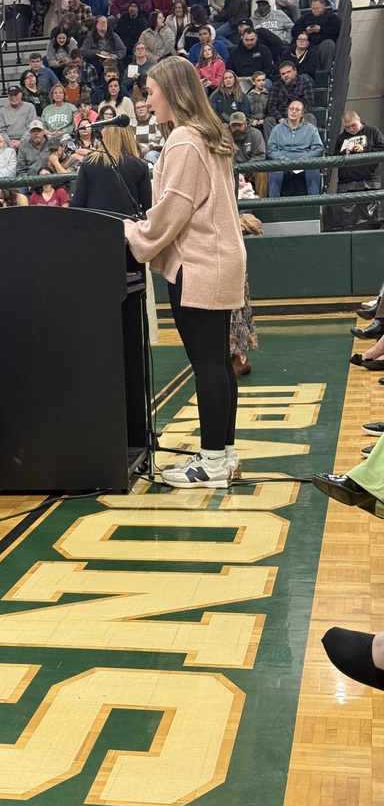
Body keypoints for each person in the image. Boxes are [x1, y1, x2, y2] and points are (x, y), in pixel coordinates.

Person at [124, 55, 245, 488]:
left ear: (172, 92)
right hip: (221, 259)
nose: (147, 99)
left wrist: (132, 231)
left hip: (199, 264)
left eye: (152, 92)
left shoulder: (183, 142)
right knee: (219, 364)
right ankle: (224, 456)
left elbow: (171, 213)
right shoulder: (210, 136)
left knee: (207, 365)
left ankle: (211, 463)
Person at [72, 120, 151, 216]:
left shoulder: (89, 163)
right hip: (127, 225)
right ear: (129, 137)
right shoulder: (140, 165)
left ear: (104, 137)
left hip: (95, 225)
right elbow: (148, 206)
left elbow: (77, 203)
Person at [266, 99, 324, 197]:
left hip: (305, 162)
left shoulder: (311, 129)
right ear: (287, 111)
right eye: (291, 109)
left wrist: (304, 159)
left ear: (302, 114)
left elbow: (318, 148)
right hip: (282, 162)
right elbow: (271, 149)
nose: (293, 111)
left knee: (313, 170)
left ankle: (314, 206)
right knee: (275, 171)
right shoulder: (277, 129)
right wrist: (283, 159)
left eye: (297, 110)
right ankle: (274, 207)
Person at [263, 59, 315, 138]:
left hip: (299, 117)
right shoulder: (276, 86)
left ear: (295, 71)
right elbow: (271, 105)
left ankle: (309, 146)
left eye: (288, 72)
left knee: (310, 117)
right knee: (268, 121)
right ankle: (272, 149)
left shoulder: (305, 83)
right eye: (283, 73)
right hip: (281, 118)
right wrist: (280, 118)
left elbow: (308, 105)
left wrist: (296, 117)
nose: (286, 75)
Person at [334, 111, 384, 191]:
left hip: (369, 179)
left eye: (353, 125)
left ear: (358, 119)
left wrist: (364, 150)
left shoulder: (373, 131)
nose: (351, 129)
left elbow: (382, 150)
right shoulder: (341, 138)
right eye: (347, 127)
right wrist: (344, 153)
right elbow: (334, 157)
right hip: (346, 182)